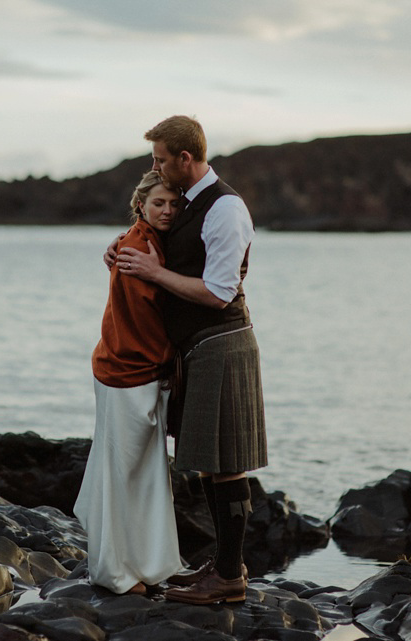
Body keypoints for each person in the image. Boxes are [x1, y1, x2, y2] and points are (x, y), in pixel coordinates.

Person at [114, 115, 267, 605]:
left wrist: (154, 273)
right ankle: (225, 566)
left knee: (228, 465)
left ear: (185, 159)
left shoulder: (224, 208)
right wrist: (128, 248)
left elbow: (219, 293)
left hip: (222, 343)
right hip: (198, 350)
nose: (154, 165)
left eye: (160, 158)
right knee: (209, 463)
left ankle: (228, 577)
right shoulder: (189, 202)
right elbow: (166, 245)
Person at [73, 171, 185, 596]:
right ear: (141, 205)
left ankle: (143, 564)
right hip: (127, 372)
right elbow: (143, 325)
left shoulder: (147, 242)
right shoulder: (136, 249)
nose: (168, 211)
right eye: (159, 203)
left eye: (174, 204)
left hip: (131, 370)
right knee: (124, 475)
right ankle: (114, 572)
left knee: (140, 474)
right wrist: (168, 365)